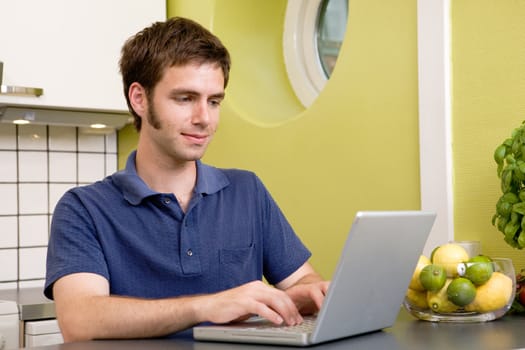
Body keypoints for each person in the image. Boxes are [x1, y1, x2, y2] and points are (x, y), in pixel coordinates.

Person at [45, 17, 328, 342]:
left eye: (214, 101)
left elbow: (303, 280)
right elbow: (80, 320)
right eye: (185, 98)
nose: (204, 119)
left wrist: (309, 294)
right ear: (139, 99)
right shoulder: (83, 208)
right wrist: (207, 307)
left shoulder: (247, 190)